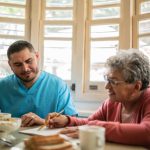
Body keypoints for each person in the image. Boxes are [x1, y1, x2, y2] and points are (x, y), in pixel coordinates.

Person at [45, 49, 150, 147]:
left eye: (113, 82)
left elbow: (147, 132)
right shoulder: (111, 103)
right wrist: (67, 120)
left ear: (136, 86)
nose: (107, 87)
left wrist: (97, 127)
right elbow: (90, 122)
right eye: (107, 79)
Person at [0, 40, 78, 127]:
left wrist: (42, 122)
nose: (25, 68)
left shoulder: (59, 86)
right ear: (10, 65)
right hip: (8, 140)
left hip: (48, 140)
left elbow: (71, 122)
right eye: (18, 64)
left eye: (29, 61)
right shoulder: (2, 86)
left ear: (37, 56)